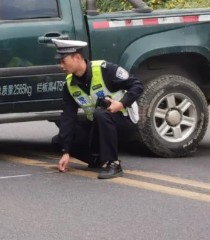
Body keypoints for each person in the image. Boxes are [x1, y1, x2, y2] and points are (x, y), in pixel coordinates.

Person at [52, 39, 143, 179]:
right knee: (59, 140)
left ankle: (114, 164)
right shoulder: (70, 85)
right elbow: (68, 117)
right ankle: (96, 158)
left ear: (77, 58)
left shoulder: (105, 69)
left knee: (101, 114)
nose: (61, 66)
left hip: (123, 121)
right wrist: (66, 152)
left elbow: (137, 85)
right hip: (98, 125)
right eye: (59, 62)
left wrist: (121, 104)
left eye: (63, 61)